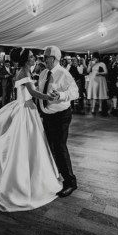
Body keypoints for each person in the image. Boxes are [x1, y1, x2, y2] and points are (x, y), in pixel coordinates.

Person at [0, 47, 62, 211]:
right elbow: (33, 92)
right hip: (25, 110)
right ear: (25, 60)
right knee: (24, 145)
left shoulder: (25, 71)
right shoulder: (23, 73)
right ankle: (19, 183)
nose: (34, 58)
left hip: (26, 109)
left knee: (30, 144)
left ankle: (28, 176)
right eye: (31, 56)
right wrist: (49, 97)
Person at [37, 46, 80, 197]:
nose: (43, 59)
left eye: (46, 57)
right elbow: (39, 91)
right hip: (47, 116)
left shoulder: (64, 73)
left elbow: (75, 92)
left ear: (54, 58)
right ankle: (54, 177)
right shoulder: (43, 73)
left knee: (60, 147)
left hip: (61, 116)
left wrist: (61, 95)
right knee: (49, 147)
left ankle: (70, 182)